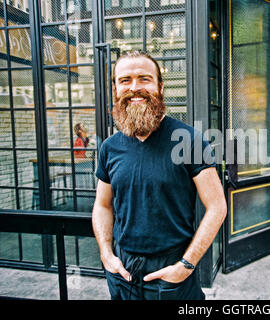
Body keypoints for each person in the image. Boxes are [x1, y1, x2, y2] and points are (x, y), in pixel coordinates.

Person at [92, 50, 227, 300]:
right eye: (125, 80)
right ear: (116, 89)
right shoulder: (109, 147)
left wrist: (185, 265)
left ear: (159, 86)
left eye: (144, 79)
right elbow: (102, 205)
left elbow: (217, 206)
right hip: (122, 272)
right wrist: (106, 255)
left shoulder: (189, 140)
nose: (135, 88)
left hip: (172, 271)